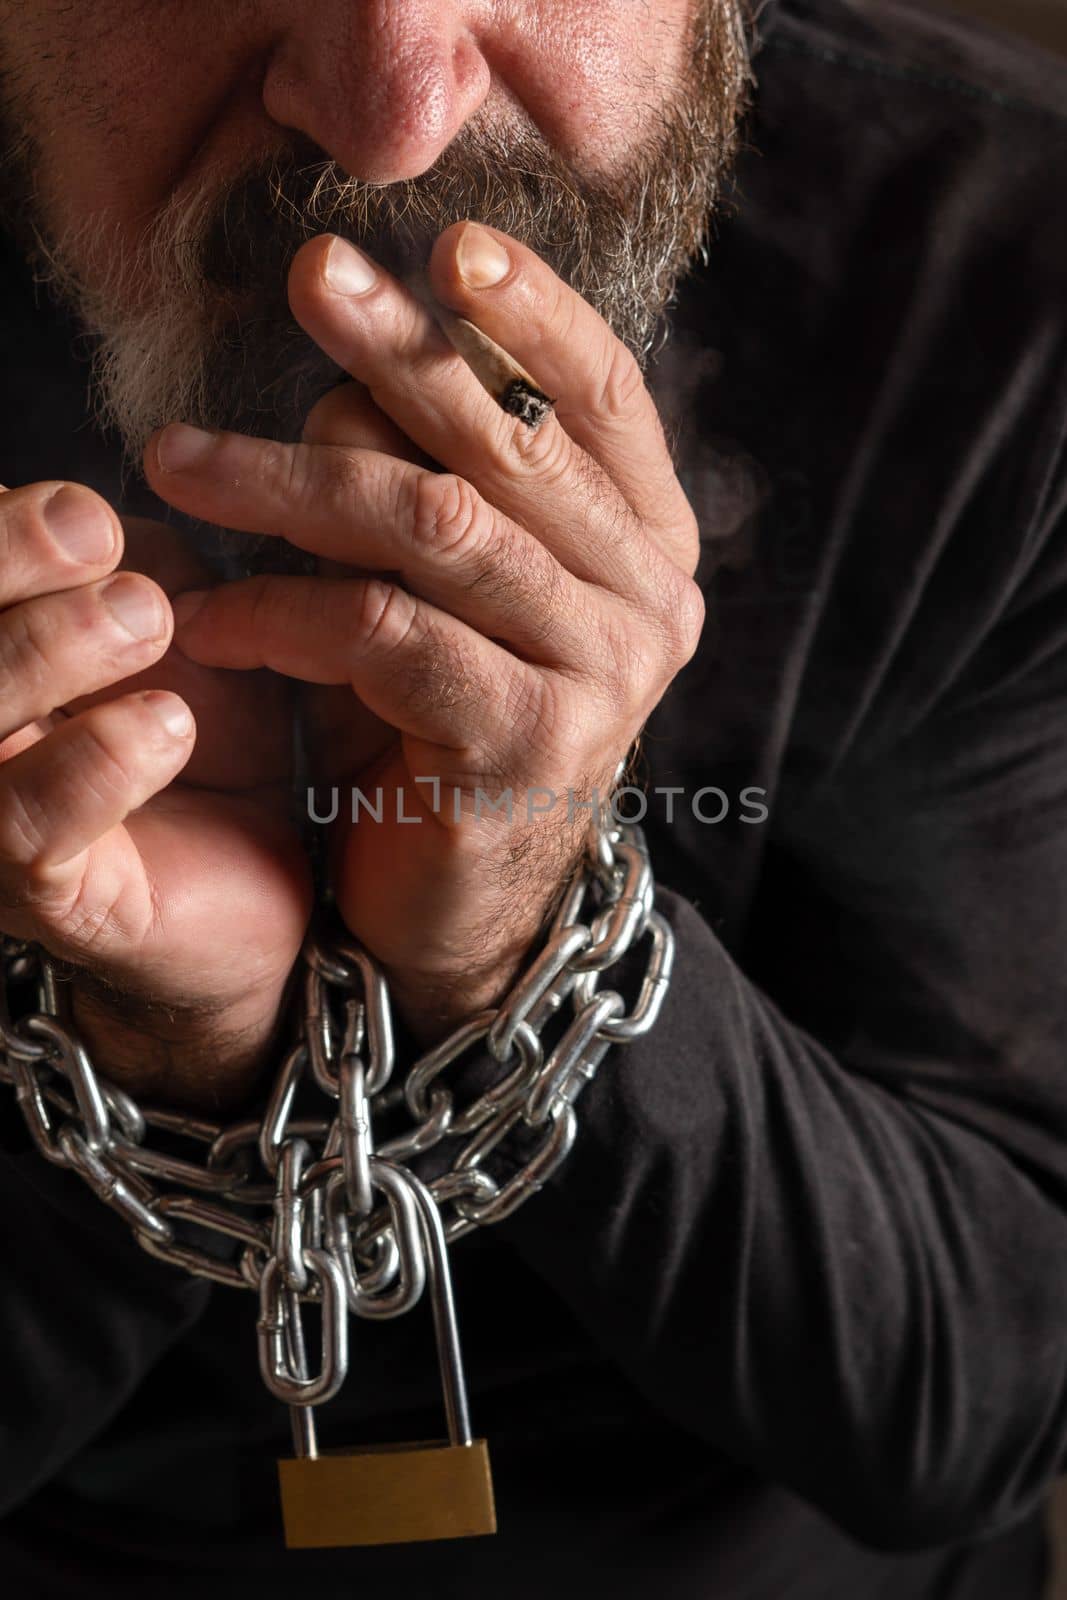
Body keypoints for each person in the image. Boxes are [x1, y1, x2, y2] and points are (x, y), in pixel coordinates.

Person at [0, 0, 1065, 1594]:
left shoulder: (999, 289)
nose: (390, 115)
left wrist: (522, 936)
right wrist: (153, 1054)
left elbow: (989, 1388)